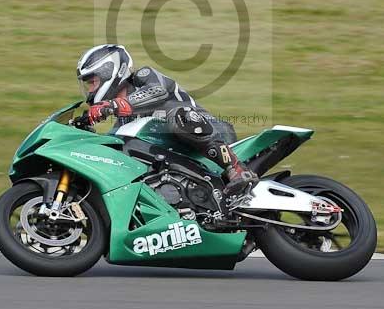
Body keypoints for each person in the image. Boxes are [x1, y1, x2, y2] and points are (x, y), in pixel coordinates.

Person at [76, 44, 258, 197]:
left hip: (213, 133)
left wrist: (112, 106)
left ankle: (237, 168)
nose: (90, 91)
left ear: (110, 72)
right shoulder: (123, 123)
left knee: (180, 117)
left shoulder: (143, 77)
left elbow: (158, 92)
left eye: (92, 82)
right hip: (185, 156)